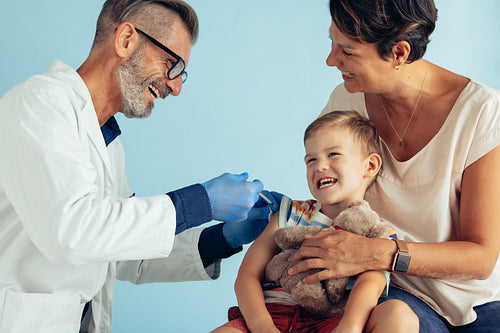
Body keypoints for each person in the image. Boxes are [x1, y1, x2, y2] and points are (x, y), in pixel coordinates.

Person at [0, 1, 282, 332]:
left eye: (181, 74)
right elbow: (72, 232)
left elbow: (123, 252)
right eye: (171, 64)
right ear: (126, 39)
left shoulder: (108, 143)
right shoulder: (39, 104)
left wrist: (220, 238)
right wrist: (201, 202)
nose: (175, 87)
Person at [286, 0, 500, 332]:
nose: (331, 60)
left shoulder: (481, 113)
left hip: (477, 302)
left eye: (348, 51)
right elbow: (331, 203)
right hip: (389, 291)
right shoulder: (346, 102)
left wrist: (377, 252)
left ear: (399, 52)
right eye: (331, 43)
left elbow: (481, 259)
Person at [212, 111, 419, 333]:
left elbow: (370, 284)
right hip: (272, 315)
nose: (320, 166)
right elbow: (247, 275)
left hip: (331, 322)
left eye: (333, 154)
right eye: (311, 159)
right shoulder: (290, 213)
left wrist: (350, 326)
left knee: (399, 316)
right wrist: (262, 326)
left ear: (369, 166)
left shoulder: (377, 233)